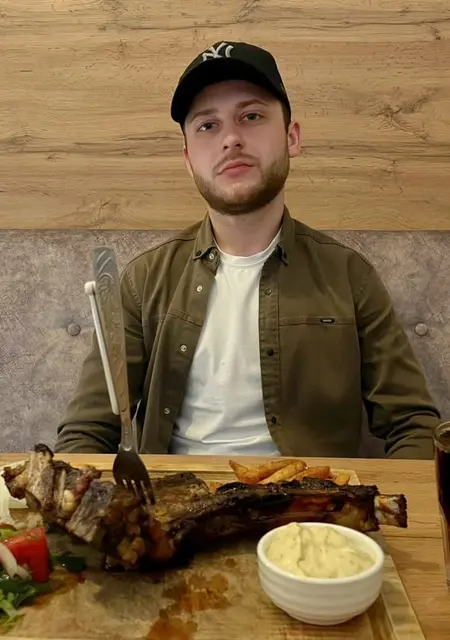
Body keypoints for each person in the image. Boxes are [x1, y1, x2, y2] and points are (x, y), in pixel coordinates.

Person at [54, 40, 440, 459]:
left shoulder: (350, 276)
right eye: (208, 126)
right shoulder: (142, 281)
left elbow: (413, 425)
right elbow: (86, 432)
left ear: (291, 137)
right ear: (188, 160)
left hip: (310, 497)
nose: (231, 139)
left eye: (251, 116)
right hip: (171, 496)